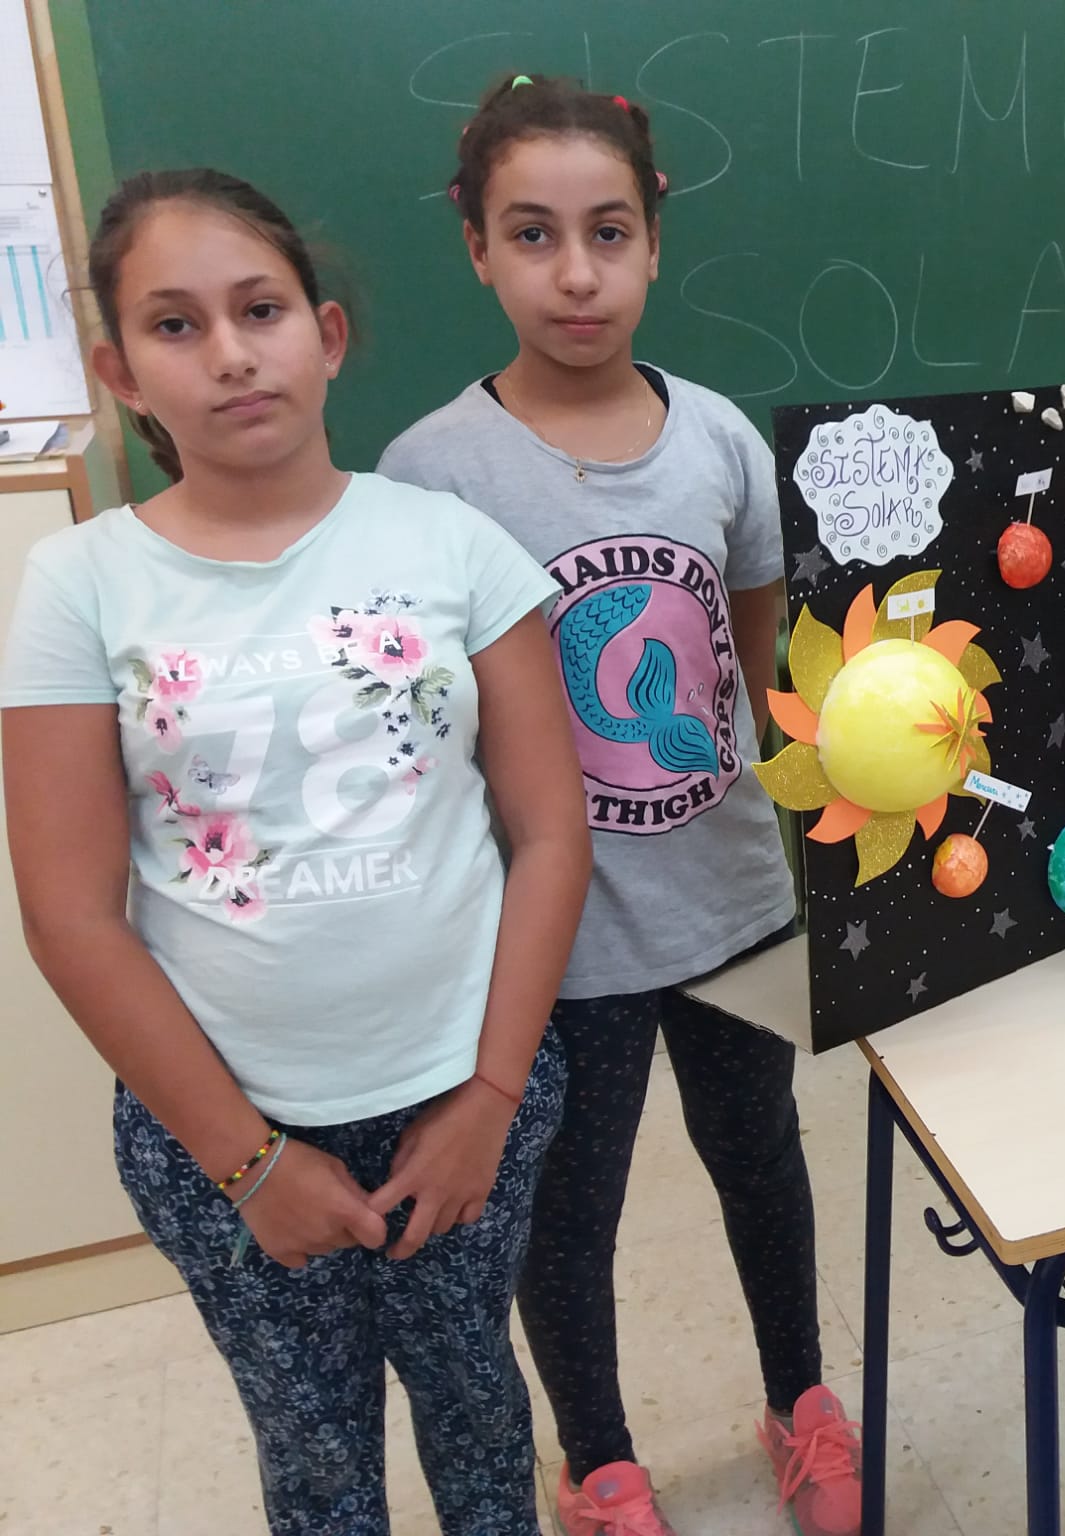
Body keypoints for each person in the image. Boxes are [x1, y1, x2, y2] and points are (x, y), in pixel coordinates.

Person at [0, 169, 591, 1535]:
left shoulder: (452, 545)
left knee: (479, 1411)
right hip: (225, 1129)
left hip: (463, 1093)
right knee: (315, 1457)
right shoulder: (80, 586)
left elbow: (550, 831)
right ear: (120, 372)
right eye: (175, 324)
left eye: (258, 310)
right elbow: (71, 913)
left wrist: (491, 1099)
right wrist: (249, 1163)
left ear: (326, 335)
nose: (229, 354)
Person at [378, 75, 856, 1536]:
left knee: (761, 1165)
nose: (575, 274)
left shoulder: (717, 440)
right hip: (559, 937)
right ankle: (600, 1466)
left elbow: (755, 663)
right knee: (565, 1219)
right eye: (532, 234)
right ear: (476, 247)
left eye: (608, 232)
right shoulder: (428, 476)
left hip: (729, 904)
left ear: (655, 241)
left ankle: (802, 1400)